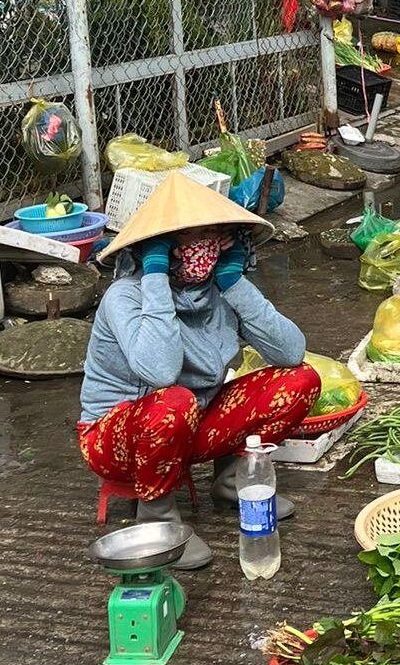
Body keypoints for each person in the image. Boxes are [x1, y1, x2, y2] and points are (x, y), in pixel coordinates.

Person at [78, 173, 322, 570]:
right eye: (189, 238)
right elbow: (160, 371)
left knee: (300, 380)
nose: (202, 248)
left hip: (191, 423)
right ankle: (158, 520)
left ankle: (233, 483)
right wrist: (155, 274)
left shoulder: (220, 289)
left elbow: (290, 351)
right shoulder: (125, 296)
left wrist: (234, 281)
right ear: (161, 247)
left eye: (211, 235)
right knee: (174, 400)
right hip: (118, 437)